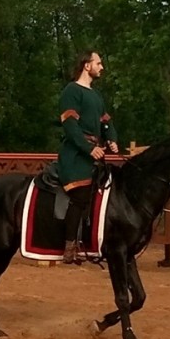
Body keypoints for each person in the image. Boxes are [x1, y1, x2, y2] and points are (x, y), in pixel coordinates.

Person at [57, 50, 118, 264]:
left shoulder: (96, 96)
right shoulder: (71, 91)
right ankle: (69, 246)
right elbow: (70, 126)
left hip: (95, 156)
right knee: (81, 196)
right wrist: (88, 148)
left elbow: (106, 121)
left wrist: (111, 138)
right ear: (86, 65)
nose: (101, 67)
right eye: (98, 63)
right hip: (75, 157)